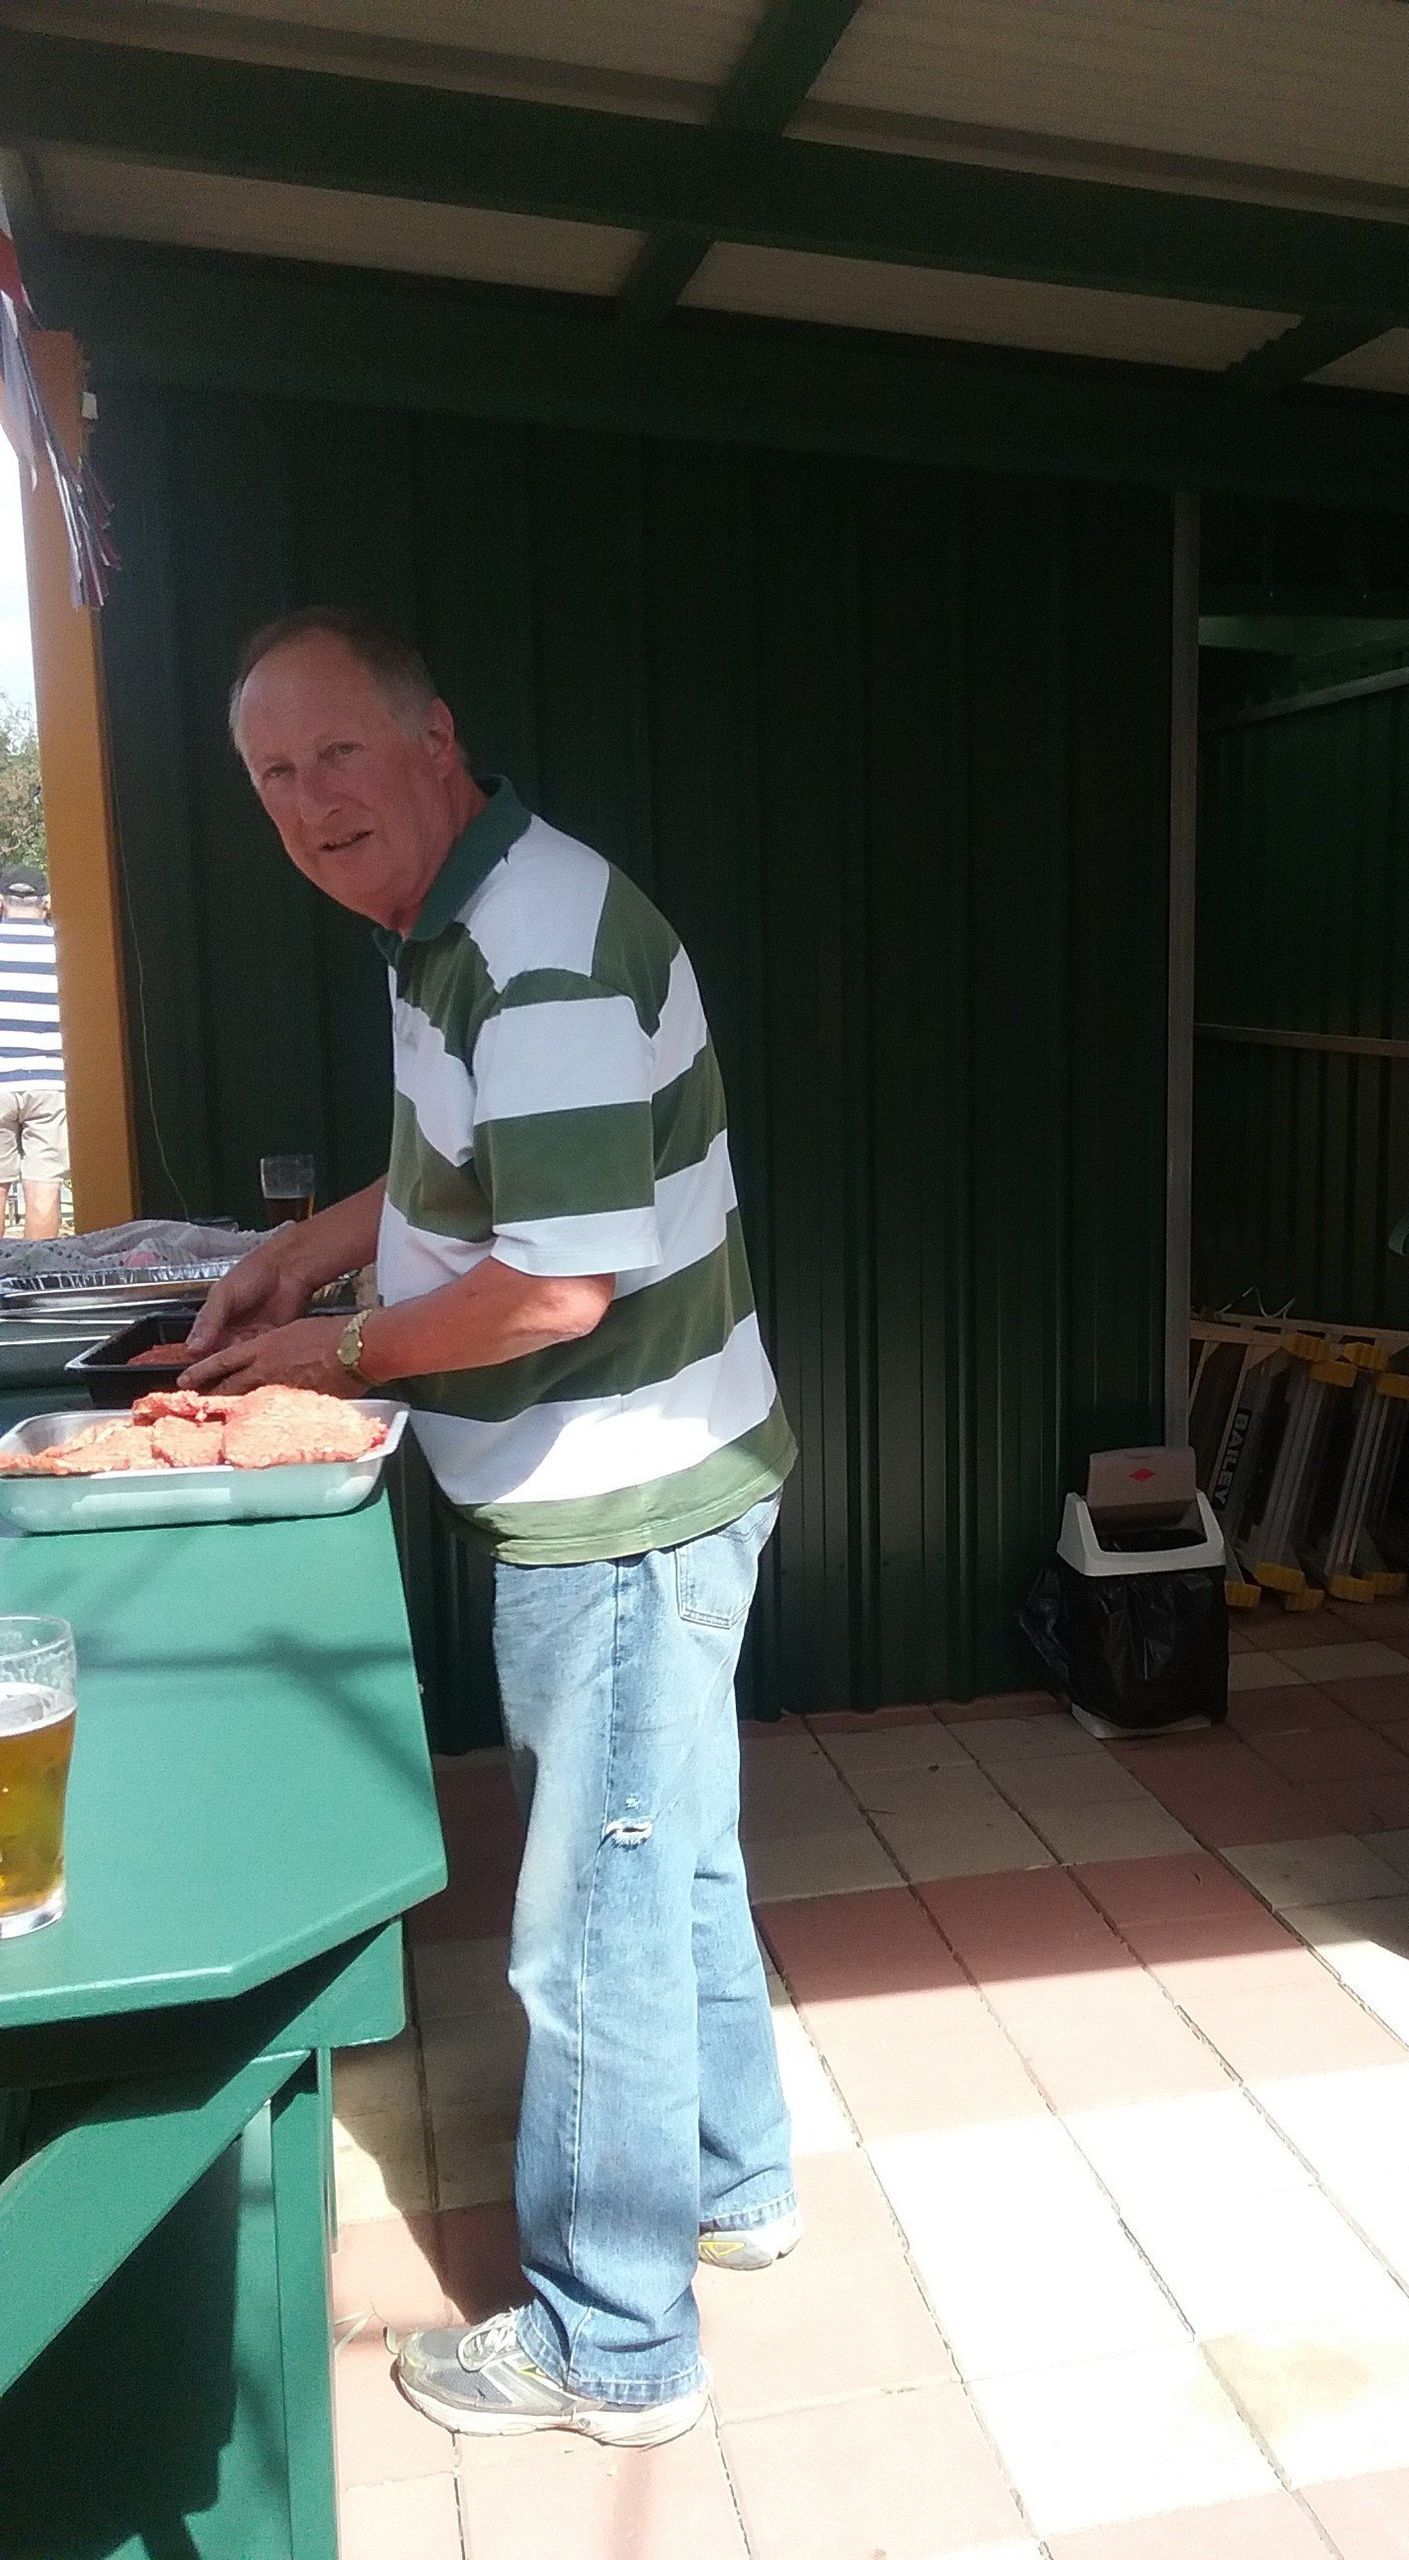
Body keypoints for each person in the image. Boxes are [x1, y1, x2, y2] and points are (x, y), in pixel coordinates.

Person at [185, 606, 799, 2445]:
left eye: (336, 756)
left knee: (588, 1919)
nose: (307, 805)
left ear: (434, 738)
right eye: (273, 779)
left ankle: (617, 2345)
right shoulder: (449, 919)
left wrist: (328, 1347)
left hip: (621, 1509)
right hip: (656, 1488)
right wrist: (312, 1242)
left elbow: (553, 1284)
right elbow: (484, 1170)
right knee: (666, 1854)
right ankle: (737, 2182)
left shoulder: (525, 945)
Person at [0, 871, 66, 1240]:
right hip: (48, 1083)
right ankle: (38, 1283)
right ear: (45, 904)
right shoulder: (61, 947)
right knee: (44, 1187)